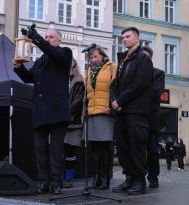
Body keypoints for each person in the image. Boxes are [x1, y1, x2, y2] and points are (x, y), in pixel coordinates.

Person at [13, 25, 73, 194]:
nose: (47, 39)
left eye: (50, 37)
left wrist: (37, 38)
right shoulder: (40, 61)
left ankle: (55, 183)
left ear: (59, 40)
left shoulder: (65, 53)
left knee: (55, 150)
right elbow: (29, 78)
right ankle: (44, 181)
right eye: (46, 37)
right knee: (40, 151)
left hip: (56, 110)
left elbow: (53, 53)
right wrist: (18, 68)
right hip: (40, 110)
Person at [110, 27, 153, 195]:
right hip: (122, 111)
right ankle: (129, 179)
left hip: (136, 111)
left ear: (137, 39)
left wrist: (120, 101)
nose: (124, 40)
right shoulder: (123, 60)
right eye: (123, 37)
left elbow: (139, 84)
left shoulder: (143, 59)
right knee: (123, 147)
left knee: (136, 146)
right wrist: (114, 101)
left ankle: (140, 181)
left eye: (127, 37)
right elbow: (114, 84)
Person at [86, 46, 117, 190]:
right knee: (94, 149)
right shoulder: (89, 71)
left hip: (105, 112)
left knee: (105, 148)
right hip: (92, 113)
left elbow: (117, 88)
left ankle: (106, 178)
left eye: (95, 57)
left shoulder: (111, 68)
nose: (93, 60)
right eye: (91, 58)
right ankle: (96, 177)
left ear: (102, 56)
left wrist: (112, 107)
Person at [141, 46, 165, 188]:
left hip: (151, 118)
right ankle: (138, 176)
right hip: (137, 118)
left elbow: (156, 92)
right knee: (137, 150)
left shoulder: (158, 73)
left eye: (144, 57)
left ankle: (153, 177)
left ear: (149, 58)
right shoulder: (134, 74)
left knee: (153, 150)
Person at [62, 58, 85, 188]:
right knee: (58, 151)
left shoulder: (79, 80)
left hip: (72, 121)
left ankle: (69, 178)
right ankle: (59, 177)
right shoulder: (58, 77)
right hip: (58, 121)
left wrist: (65, 114)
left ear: (74, 64)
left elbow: (78, 101)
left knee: (70, 151)